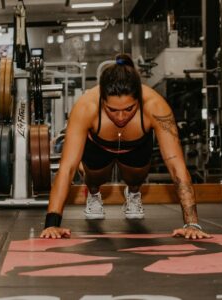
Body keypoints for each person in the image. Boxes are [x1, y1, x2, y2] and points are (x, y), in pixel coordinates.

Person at [40, 54, 211, 240]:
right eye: (112, 110)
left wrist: (192, 223)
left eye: (129, 109)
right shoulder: (85, 107)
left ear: (139, 99)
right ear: (102, 99)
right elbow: (67, 168)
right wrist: (52, 224)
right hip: (99, 146)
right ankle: (94, 194)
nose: (121, 117)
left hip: (136, 146)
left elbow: (175, 164)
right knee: (94, 178)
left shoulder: (155, 106)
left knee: (136, 177)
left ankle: (133, 193)